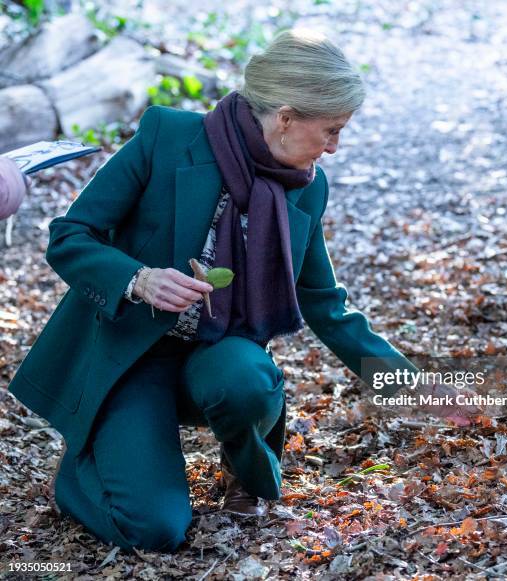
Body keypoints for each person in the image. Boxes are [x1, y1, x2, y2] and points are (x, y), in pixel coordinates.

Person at [7, 28, 481, 554]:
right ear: (284, 118)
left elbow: (326, 304)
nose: (335, 147)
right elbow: (70, 236)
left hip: (215, 355)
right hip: (131, 357)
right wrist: (138, 279)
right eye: (330, 131)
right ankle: (82, 470)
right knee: (155, 528)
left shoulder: (307, 185)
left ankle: (247, 474)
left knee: (245, 377)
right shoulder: (167, 139)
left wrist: (415, 386)